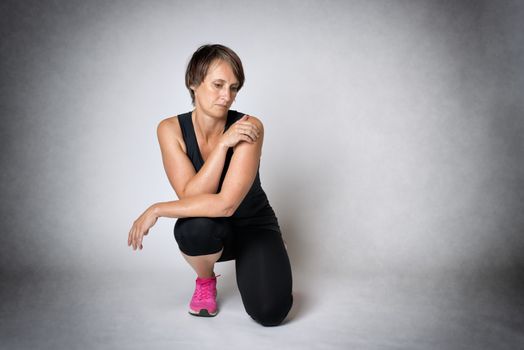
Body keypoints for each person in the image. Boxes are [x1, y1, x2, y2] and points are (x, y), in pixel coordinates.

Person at [127, 44, 293, 327]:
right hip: (212, 230)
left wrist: (156, 209)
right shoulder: (170, 129)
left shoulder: (250, 126)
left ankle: (265, 259)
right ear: (193, 83)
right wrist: (222, 147)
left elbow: (227, 205)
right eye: (217, 85)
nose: (226, 96)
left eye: (233, 87)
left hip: (253, 225)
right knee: (194, 228)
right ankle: (205, 281)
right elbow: (190, 196)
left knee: (270, 313)